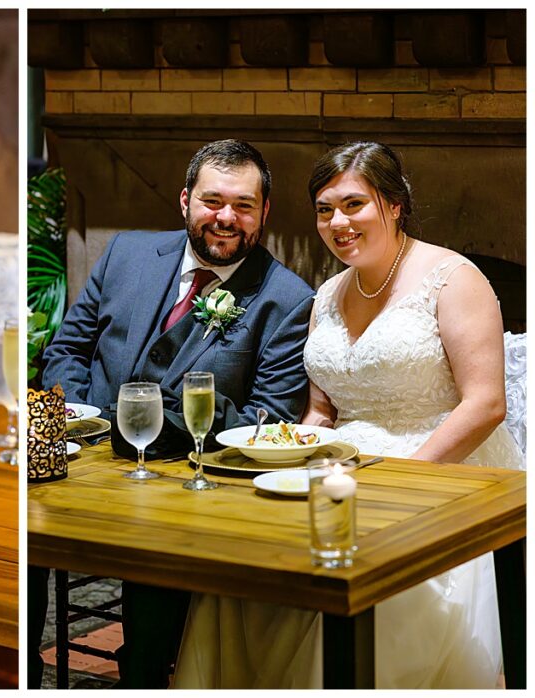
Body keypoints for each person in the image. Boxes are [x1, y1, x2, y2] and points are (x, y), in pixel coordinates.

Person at [172, 141, 523, 688]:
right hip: (345, 467)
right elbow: (320, 411)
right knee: (245, 564)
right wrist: (283, 459)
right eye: (324, 209)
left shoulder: (453, 278)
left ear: (394, 204)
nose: (338, 222)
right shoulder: (330, 292)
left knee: (355, 582)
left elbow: (485, 405)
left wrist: (405, 478)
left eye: (354, 205)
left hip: (444, 471)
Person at [34, 139, 314, 688]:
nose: (226, 218)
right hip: (82, 461)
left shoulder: (288, 299)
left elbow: (270, 417)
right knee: (18, 522)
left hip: (184, 485)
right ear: (185, 200)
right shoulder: (126, 255)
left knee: (163, 544)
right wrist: (89, 418)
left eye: (243, 205)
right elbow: (67, 350)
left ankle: (143, 678)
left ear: (265, 213)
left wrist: (170, 421)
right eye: (212, 201)